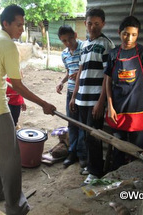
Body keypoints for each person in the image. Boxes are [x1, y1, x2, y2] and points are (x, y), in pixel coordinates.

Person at [0, 5, 56, 215]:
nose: (21, 29)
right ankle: (15, 206)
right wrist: (43, 103)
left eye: (22, 25)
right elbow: (17, 85)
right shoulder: (7, 45)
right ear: (6, 23)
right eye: (18, 25)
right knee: (10, 159)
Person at [69, 7, 115, 184]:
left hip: (95, 99)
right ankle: (90, 166)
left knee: (94, 136)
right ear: (84, 24)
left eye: (97, 23)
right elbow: (80, 71)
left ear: (103, 24)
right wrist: (74, 96)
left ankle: (96, 171)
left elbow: (107, 75)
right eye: (90, 23)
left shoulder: (106, 45)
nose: (93, 27)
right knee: (86, 134)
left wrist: (101, 102)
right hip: (81, 98)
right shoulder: (85, 45)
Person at [105, 16, 143, 170]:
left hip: (138, 107)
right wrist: (110, 105)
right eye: (126, 34)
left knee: (137, 149)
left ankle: (133, 176)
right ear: (119, 32)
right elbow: (107, 81)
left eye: (134, 35)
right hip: (117, 108)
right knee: (118, 146)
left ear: (138, 35)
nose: (129, 38)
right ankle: (117, 177)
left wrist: (132, 78)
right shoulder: (113, 54)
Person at [56, 25, 87, 169]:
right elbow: (69, 72)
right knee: (72, 123)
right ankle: (72, 153)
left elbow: (87, 69)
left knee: (82, 125)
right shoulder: (64, 54)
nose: (68, 43)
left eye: (70, 39)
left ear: (75, 34)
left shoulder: (85, 47)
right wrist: (62, 82)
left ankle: (82, 155)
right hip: (70, 92)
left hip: (83, 92)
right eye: (64, 41)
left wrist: (80, 74)